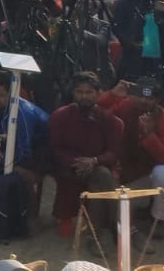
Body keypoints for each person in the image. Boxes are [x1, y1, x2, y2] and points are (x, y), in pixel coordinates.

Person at [47, 71, 122, 238]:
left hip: (96, 166)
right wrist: (76, 162)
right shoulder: (60, 116)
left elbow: (113, 152)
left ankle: (95, 234)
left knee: (100, 176)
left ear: (98, 94)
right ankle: (120, 226)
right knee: (102, 176)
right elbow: (55, 148)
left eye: (89, 92)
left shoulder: (107, 119)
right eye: (80, 92)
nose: (84, 97)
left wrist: (94, 161)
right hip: (67, 167)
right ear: (73, 93)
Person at [98, 78, 164, 224]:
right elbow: (99, 114)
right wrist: (112, 94)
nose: (144, 101)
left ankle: (158, 219)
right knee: (113, 208)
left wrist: (149, 135)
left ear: (158, 100)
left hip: (153, 174)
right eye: (141, 97)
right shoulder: (127, 105)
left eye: (150, 98)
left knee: (163, 174)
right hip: (127, 170)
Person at [0, 70, 50, 215]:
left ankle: (29, 213)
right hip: (14, 142)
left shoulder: (23, 112)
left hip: (39, 152)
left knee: (18, 173)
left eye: (1, 95)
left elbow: (24, 151)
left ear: (12, 93)